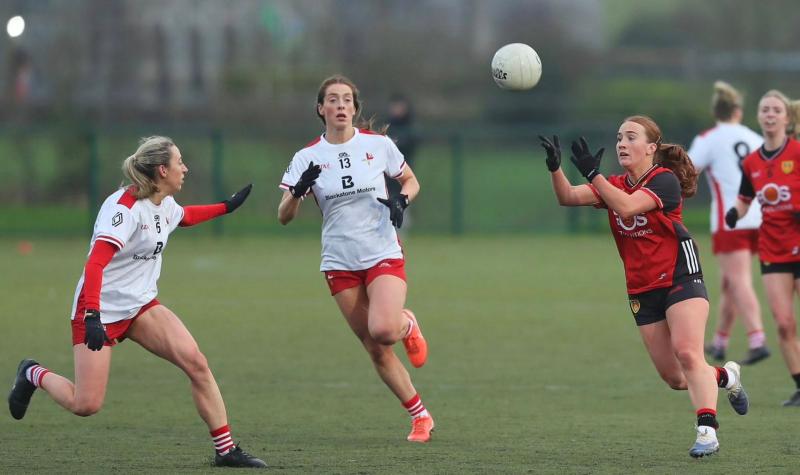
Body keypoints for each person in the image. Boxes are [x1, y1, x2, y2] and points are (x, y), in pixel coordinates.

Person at [7, 136, 267, 468]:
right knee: (86, 404)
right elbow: (95, 264)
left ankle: (226, 451)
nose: (185, 168)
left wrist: (226, 207)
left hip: (140, 307)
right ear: (162, 170)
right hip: (99, 311)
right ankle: (32, 373)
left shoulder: (164, 203)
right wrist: (92, 315)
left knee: (196, 363)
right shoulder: (125, 209)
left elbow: (185, 217)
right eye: (179, 162)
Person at [539, 115, 749, 458]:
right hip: (641, 288)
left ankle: (707, 430)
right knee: (675, 378)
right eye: (619, 137)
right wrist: (555, 168)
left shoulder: (664, 180)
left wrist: (593, 174)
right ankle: (726, 377)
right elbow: (567, 196)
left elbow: (626, 206)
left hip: (681, 275)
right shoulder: (614, 183)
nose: (622, 143)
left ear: (651, 148)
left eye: (631, 137)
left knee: (688, 352)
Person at [278, 75, 433, 442]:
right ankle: (420, 417)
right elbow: (283, 216)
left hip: (381, 251)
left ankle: (406, 324)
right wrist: (297, 192)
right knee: (375, 349)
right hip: (339, 262)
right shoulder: (306, 157)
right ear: (321, 109)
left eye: (347, 99)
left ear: (355, 108)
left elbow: (411, 181)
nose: (341, 105)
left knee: (384, 330)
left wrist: (402, 200)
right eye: (333, 99)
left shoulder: (378, 145)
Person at [725, 90, 800, 407]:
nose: (770, 114)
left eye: (776, 110)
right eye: (765, 109)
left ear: (786, 117)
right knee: (783, 323)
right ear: (758, 116)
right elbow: (744, 200)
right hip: (773, 249)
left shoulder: (797, 152)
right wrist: (735, 213)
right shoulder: (751, 162)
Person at [688, 81, 769, 365]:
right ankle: (720, 342)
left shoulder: (709, 138)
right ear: (738, 111)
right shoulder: (754, 137)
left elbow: (689, 170)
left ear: (716, 112)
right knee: (730, 282)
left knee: (739, 281)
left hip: (731, 220)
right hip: (760, 217)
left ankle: (757, 338)